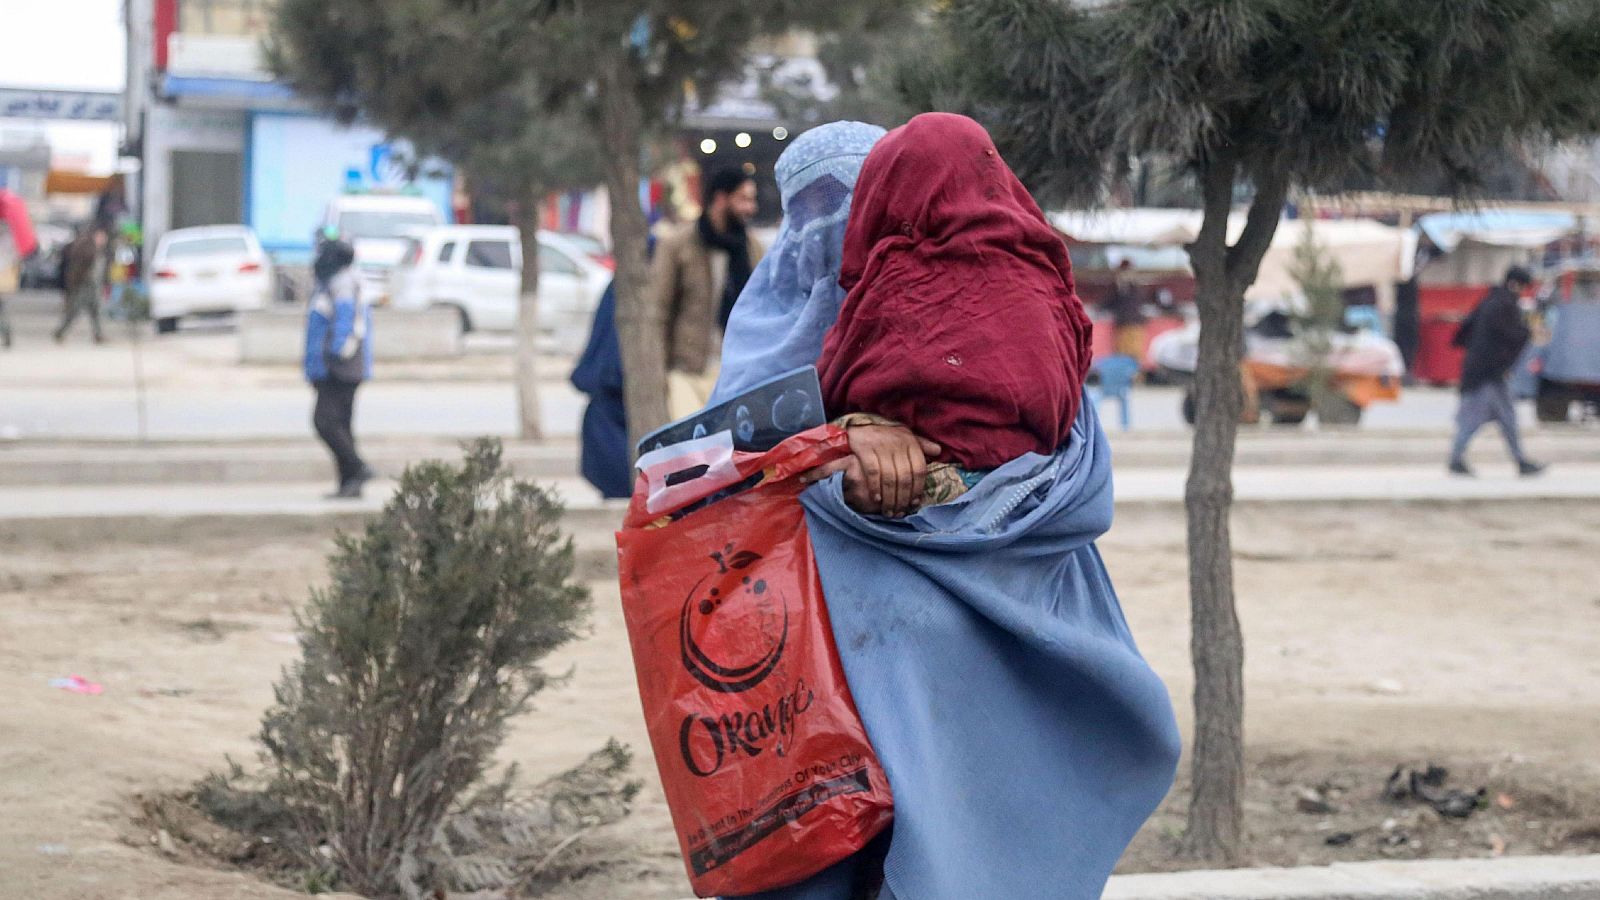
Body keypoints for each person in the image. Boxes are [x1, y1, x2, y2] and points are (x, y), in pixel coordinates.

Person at [727, 114, 1180, 900]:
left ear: (889, 206)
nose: (830, 231)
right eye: (811, 208)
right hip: (824, 664)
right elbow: (699, 471)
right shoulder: (773, 325)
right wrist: (836, 446)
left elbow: (1070, 471)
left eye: (853, 200)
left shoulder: (1008, 315)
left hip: (990, 631)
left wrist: (946, 489)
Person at [648, 166, 765, 419]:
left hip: (735, 374)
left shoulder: (753, 249)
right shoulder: (677, 245)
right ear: (721, 199)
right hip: (687, 372)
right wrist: (658, 374)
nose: (751, 208)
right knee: (691, 454)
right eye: (743, 199)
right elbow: (658, 313)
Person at [1448, 266, 1546, 477]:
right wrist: (1528, 332)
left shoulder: (1490, 301)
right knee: (1481, 418)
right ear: (1516, 284)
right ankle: (1457, 459)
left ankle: (1519, 461)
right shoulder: (1504, 305)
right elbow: (1509, 336)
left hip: (1483, 371)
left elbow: (1465, 330)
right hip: (1488, 373)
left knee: (1502, 418)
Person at [304, 234, 375, 499]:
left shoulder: (343, 283)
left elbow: (345, 324)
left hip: (340, 367)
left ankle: (357, 467)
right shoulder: (331, 283)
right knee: (342, 425)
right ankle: (349, 484)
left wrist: (334, 356)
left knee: (324, 422)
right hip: (335, 366)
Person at [55, 226, 107, 344]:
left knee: (96, 311)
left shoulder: (98, 250)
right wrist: (73, 284)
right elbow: (77, 269)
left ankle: (98, 335)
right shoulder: (87, 249)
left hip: (94, 287)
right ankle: (60, 332)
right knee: (74, 310)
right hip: (84, 286)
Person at [1106, 258, 1148, 360]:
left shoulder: (1131, 288)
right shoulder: (1122, 288)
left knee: (1132, 353)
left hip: (1131, 324)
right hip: (1125, 323)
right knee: (1123, 353)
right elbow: (1111, 302)